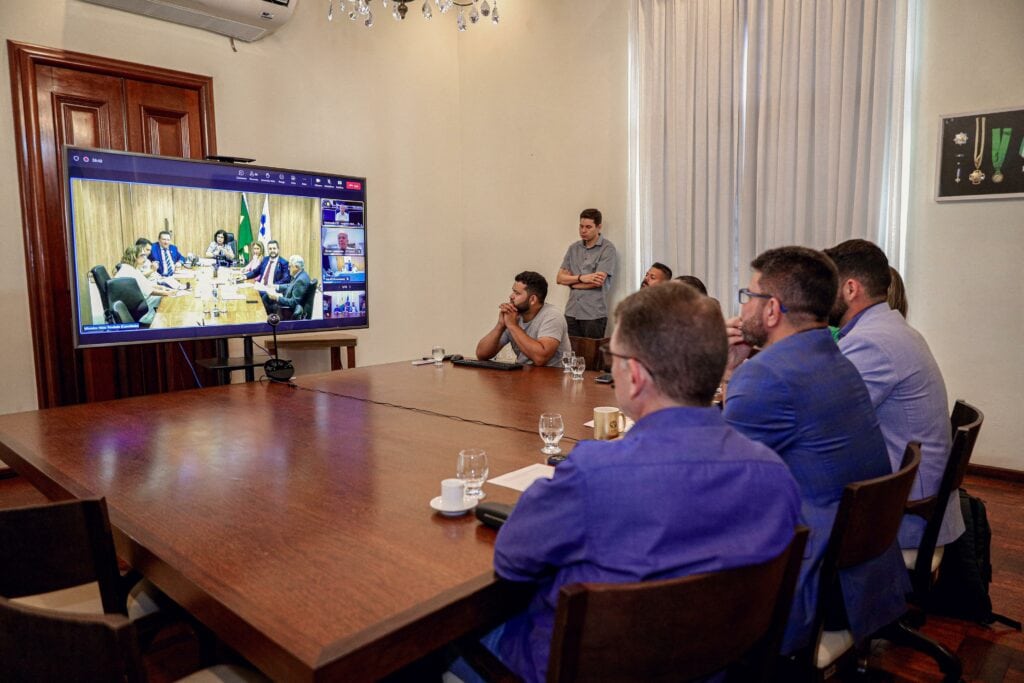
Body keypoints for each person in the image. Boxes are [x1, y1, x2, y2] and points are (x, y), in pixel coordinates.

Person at [479, 282, 802, 683]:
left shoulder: (593, 475)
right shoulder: (775, 474)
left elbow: (511, 562)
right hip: (712, 666)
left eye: (611, 356)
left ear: (633, 375)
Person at [721, 246, 908, 655]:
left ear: (771, 310)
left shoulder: (767, 375)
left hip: (817, 587)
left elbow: (716, 479)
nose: (743, 307)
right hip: (864, 572)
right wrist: (738, 372)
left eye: (747, 296)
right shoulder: (834, 358)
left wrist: (732, 373)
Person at [824, 239, 960, 550]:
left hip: (906, 514)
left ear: (850, 289)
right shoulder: (889, 328)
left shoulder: (872, 341)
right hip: (915, 496)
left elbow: (826, 420)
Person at [475, 271, 571, 367]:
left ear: (532, 299)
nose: (511, 296)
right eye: (513, 291)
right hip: (524, 376)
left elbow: (540, 359)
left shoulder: (552, 316)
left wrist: (512, 326)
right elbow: (482, 354)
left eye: (517, 293)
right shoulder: (513, 316)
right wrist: (500, 325)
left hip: (553, 378)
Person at [556, 208, 617, 338]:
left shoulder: (607, 249)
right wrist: (582, 278)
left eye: (588, 227)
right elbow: (560, 278)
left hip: (593, 314)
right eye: (581, 226)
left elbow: (597, 282)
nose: (583, 230)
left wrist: (572, 283)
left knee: (591, 356)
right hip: (571, 311)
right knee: (571, 356)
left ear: (599, 227)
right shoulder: (573, 248)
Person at [113, 245, 175, 311]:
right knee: (169, 301)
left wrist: (161, 287)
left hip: (137, 302)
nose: (145, 258)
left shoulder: (132, 268)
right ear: (133, 256)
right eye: (142, 255)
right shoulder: (129, 270)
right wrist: (168, 293)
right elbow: (149, 291)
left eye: (144, 255)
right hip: (137, 307)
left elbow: (146, 283)